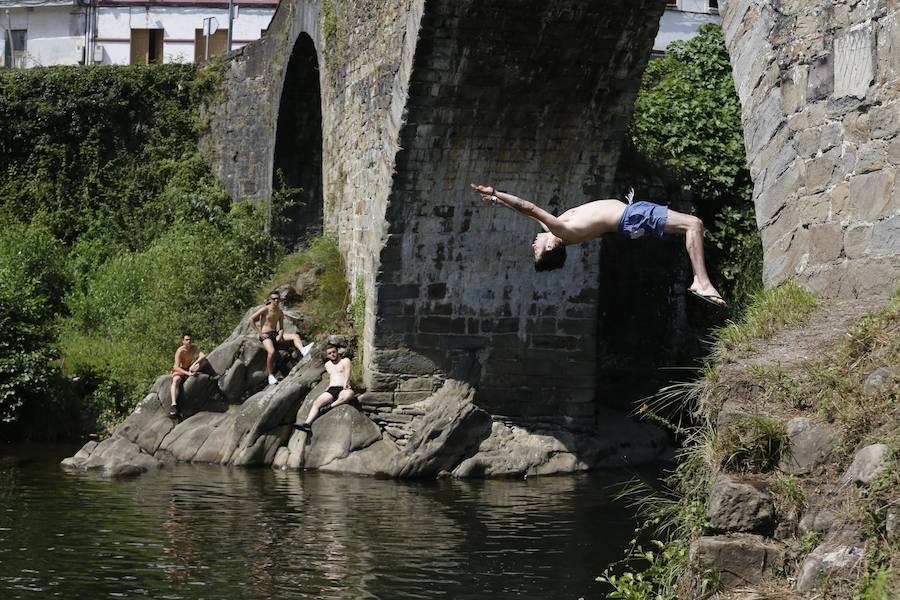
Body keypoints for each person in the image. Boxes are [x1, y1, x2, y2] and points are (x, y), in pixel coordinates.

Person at [469, 183, 726, 306]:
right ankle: (700, 282)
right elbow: (531, 208)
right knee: (693, 224)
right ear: (550, 248)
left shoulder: (557, 229)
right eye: (535, 250)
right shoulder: (561, 229)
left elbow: (524, 213)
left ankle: (701, 282)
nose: (533, 244)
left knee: (693, 225)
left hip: (631, 216)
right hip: (632, 216)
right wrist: (496, 192)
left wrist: (494, 201)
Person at [249, 290, 314, 386]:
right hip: (266, 335)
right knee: (271, 352)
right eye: (274, 299)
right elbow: (251, 319)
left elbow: (282, 328)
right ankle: (270, 376)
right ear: (270, 299)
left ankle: (302, 350)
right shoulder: (265, 309)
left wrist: (280, 335)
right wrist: (259, 333)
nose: (276, 300)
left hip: (275, 334)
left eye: (278, 299)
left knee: (295, 336)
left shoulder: (280, 312)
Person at [293, 344, 354, 434]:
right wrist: (327, 389)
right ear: (327, 355)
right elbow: (332, 377)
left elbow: (348, 373)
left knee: (349, 394)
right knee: (317, 402)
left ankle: (329, 407)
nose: (332, 354)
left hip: (343, 387)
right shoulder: (327, 365)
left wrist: (346, 383)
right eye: (330, 353)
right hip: (332, 388)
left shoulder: (345, 361)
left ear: (337, 352)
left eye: (334, 352)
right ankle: (307, 424)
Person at [170, 332, 207, 418]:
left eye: (190, 339)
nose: (189, 341)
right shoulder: (180, 351)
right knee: (176, 380)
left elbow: (202, 356)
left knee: (204, 361)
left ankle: (192, 371)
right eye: (186, 340)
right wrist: (188, 373)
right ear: (183, 341)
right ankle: (173, 404)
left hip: (188, 368)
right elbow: (175, 366)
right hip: (180, 370)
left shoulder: (194, 347)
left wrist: (195, 363)